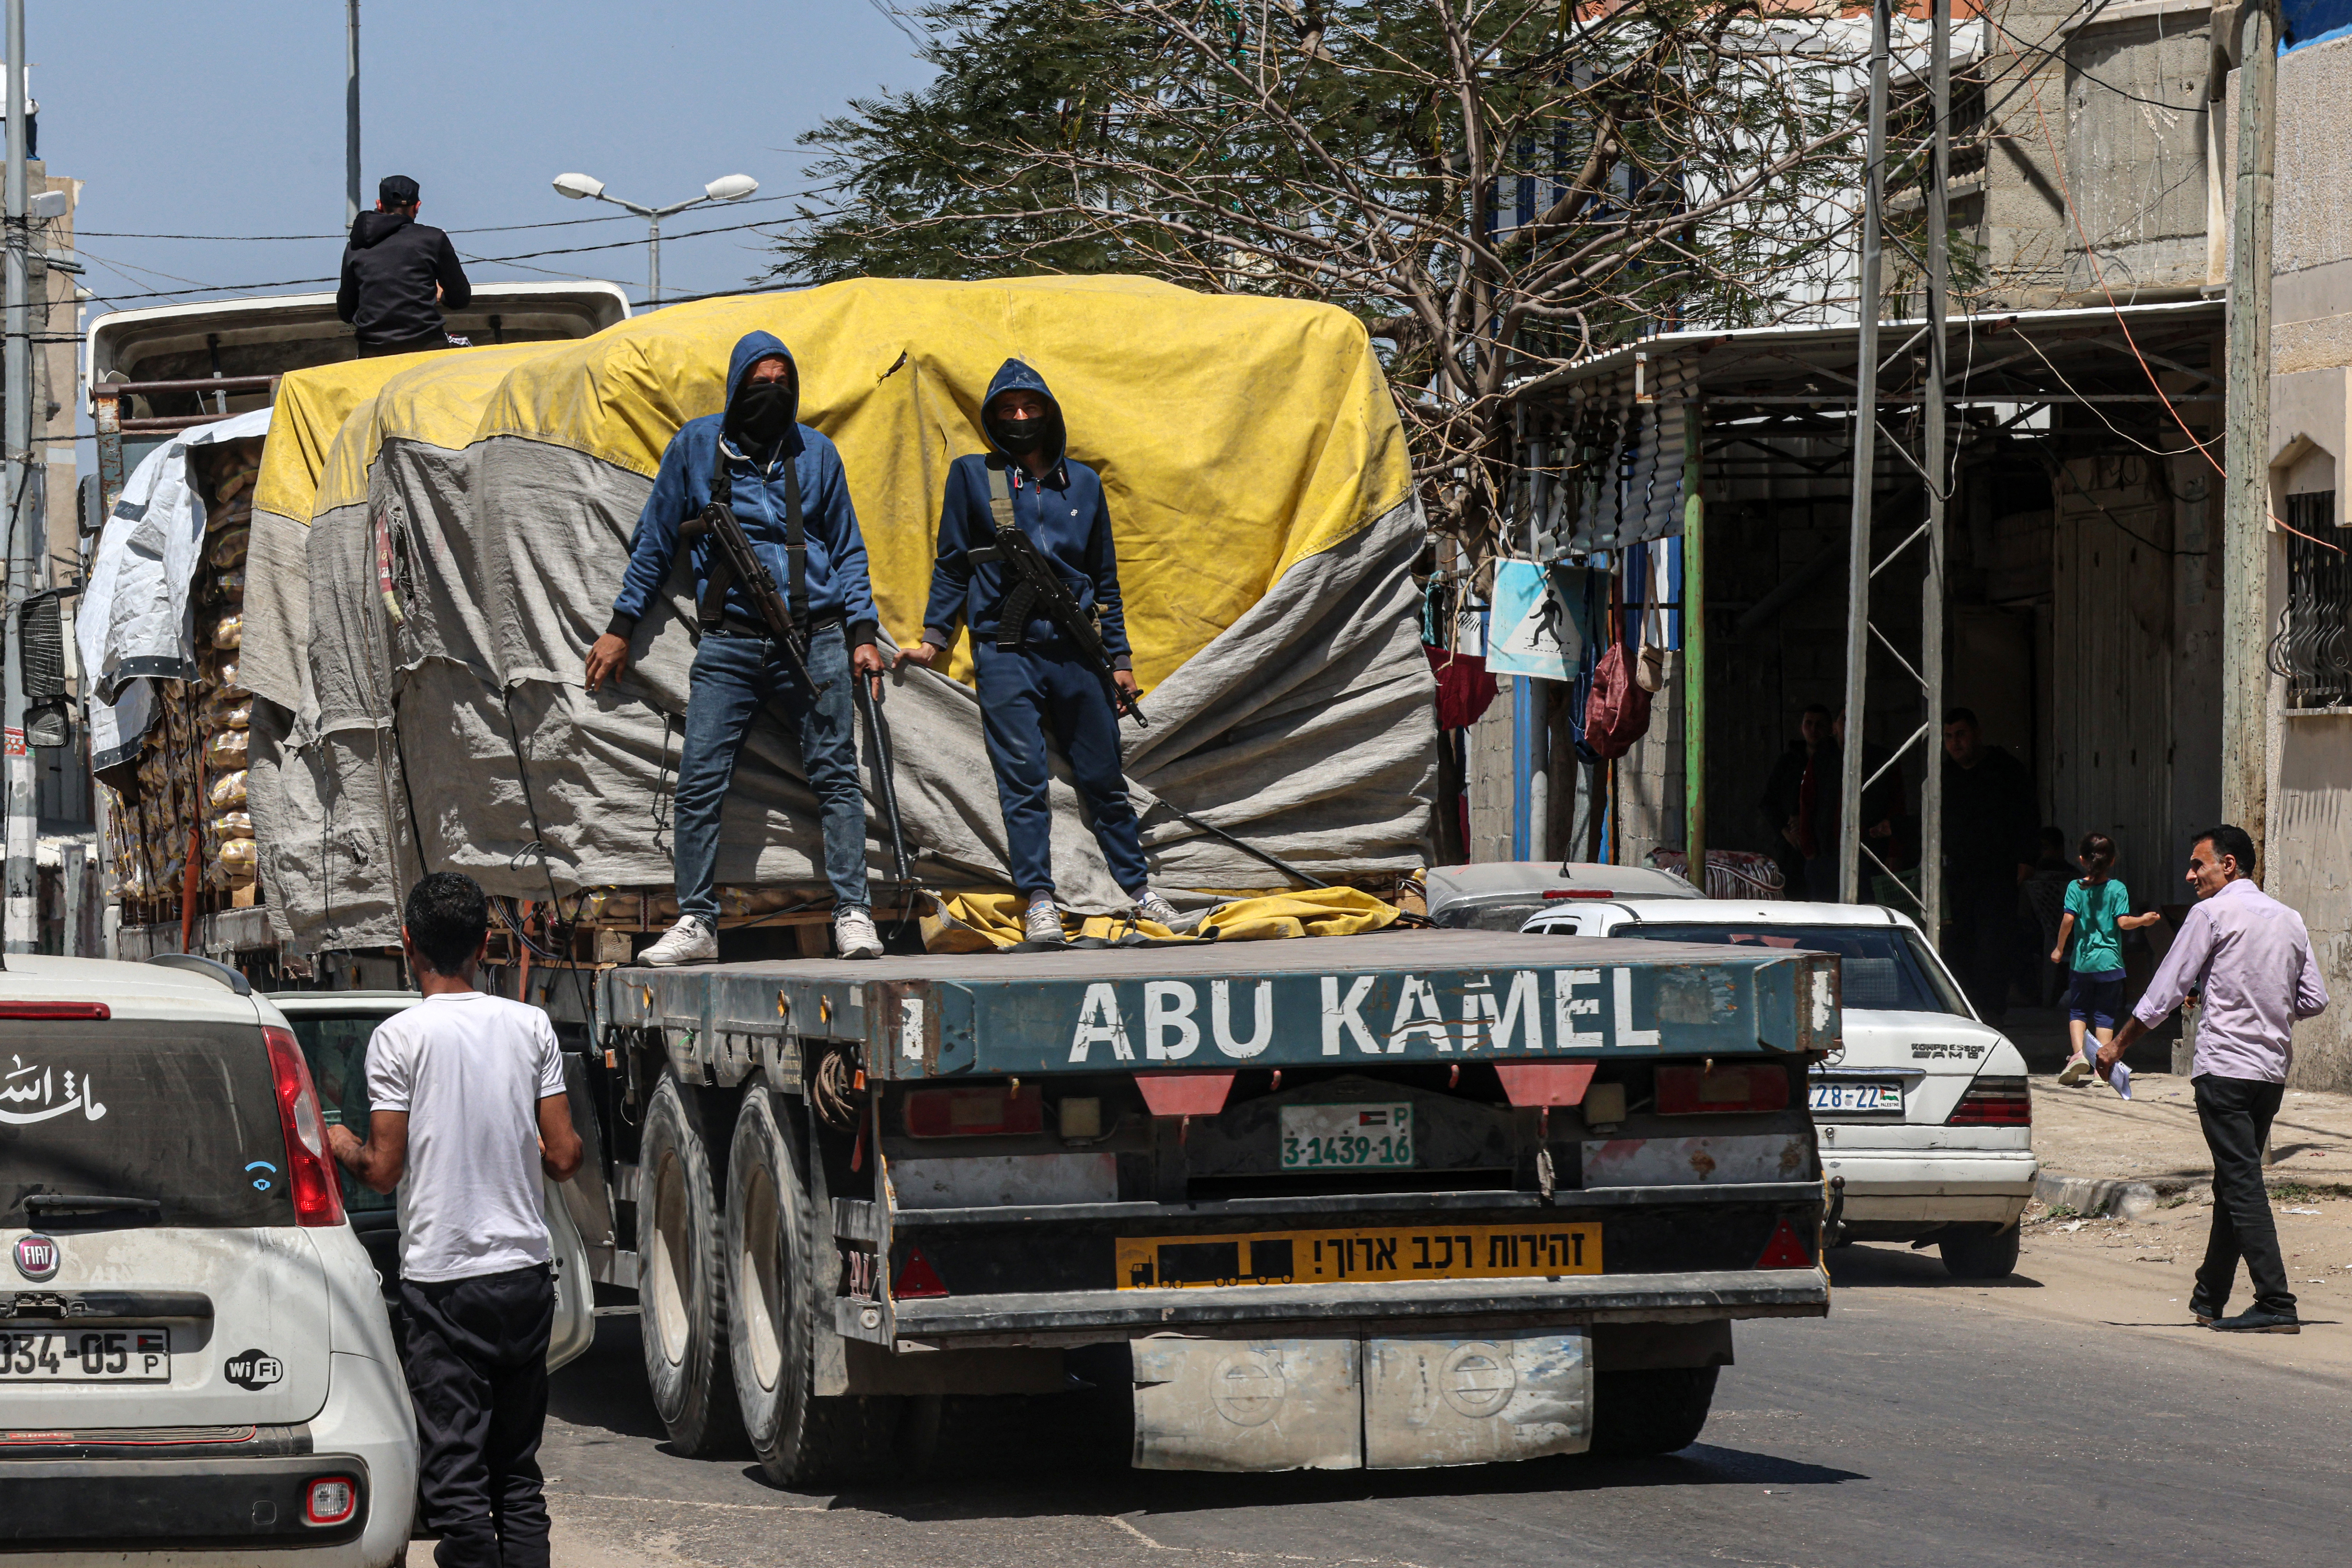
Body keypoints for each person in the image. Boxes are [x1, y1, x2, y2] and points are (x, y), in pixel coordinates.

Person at [587, 331, 888, 966]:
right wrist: (620, 627)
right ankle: (696, 920)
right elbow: (654, 545)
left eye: (783, 384)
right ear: (735, 388)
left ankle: (853, 913)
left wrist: (864, 636)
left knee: (835, 776)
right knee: (699, 783)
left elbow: (849, 548)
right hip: (730, 646)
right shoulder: (698, 448)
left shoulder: (817, 455)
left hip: (817, 640)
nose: (771, 395)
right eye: (759, 384)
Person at [326, 872, 584, 1568]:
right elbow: (564, 1156)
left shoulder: (397, 1039)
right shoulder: (531, 1026)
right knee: (518, 1475)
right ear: (487, 943)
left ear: (408, 943)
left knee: (455, 1475)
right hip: (525, 1280)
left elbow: (383, 1169)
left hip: (444, 1289)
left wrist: (334, 1139)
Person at [897, 359, 1178, 942]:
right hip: (1007, 651)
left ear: (1050, 413)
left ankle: (1139, 888)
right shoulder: (977, 478)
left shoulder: (1084, 484)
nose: (1020, 418)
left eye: (1030, 408)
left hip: (1078, 653)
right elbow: (952, 564)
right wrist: (933, 639)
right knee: (1022, 780)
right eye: (1007, 410)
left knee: (1103, 779)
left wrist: (1120, 661)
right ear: (993, 419)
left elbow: (1106, 579)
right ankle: (1040, 899)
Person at [2100, 825, 2328, 1334]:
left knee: (2242, 1184)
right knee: (2234, 1181)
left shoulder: (2211, 913)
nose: (2190, 875)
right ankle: (2210, 1297)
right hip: (2269, 1073)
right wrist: (2261, 1001)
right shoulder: (2289, 919)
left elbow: (2165, 990)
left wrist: (2116, 1046)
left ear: (2228, 866)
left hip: (2224, 1070)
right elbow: (2313, 999)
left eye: (2197, 864)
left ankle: (2276, 1300)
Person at [1940, 707, 2039, 1023]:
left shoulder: (2005, 769)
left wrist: (2026, 857)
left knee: (1994, 945)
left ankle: (1993, 1011)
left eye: (1961, 735)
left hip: (1998, 873)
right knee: (1959, 945)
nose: (1956, 743)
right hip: (1958, 875)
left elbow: (2028, 814)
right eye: (1949, 737)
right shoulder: (1946, 775)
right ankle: (1968, 1012)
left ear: (1977, 734)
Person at [2052, 831, 2160, 1092]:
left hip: (2082, 963)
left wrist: (2058, 948)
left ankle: (2078, 1055)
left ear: (2081, 859)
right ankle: (2103, 1067)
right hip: (2110, 964)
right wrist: (2144, 920)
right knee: (2105, 1015)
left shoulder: (2075, 888)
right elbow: (2124, 923)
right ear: (2112, 861)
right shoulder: (2117, 888)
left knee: (2078, 1011)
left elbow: (2068, 920)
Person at [338, 175, 473, 358]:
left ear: (379, 205)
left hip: (374, 352)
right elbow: (461, 298)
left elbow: (346, 312)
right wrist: (442, 295)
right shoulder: (433, 239)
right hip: (426, 347)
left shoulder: (355, 246)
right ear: (417, 206)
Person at [1758, 704, 1838, 901]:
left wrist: (1807, 820)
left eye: (1819, 725)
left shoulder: (1837, 761)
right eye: (1808, 724)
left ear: (1830, 729)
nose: (1813, 730)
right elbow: (1769, 802)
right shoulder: (1788, 762)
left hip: (1825, 849)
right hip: (1791, 849)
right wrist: (1786, 831)